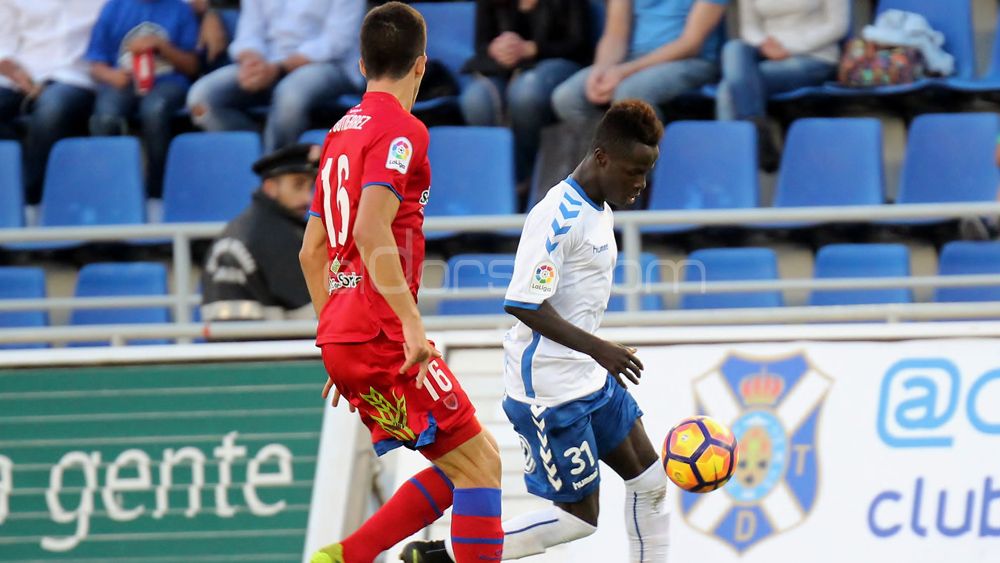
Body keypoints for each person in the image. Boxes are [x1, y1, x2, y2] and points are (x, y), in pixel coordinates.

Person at [400, 101, 669, 562]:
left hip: (589, 378)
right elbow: (523, 302)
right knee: (578, 520)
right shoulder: (558, 215)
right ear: (602, 157)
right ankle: (444, 556)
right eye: (634, 172)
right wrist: (600, 349)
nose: (641, 185)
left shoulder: (601, 206)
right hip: (549, 391)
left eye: (646, 173)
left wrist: (594, 357)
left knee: (651, 484)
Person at [300, 4, 503, 563]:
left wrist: (336, 339)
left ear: (362, 64)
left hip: (346, 332)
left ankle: (345, 556)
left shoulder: (339, 133)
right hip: (382, 330)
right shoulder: (403, 131)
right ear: (422, 65)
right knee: (481, 468)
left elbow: (311, 251)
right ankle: (347, 557)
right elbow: (369, 230)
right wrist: (410, 324)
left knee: (470, 459)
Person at [187, 0, 365, 152]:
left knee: (290, 97)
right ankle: (254, 158)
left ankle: (276, 166)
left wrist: (278, 68)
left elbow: (337, 41)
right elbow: (249, 34)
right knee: (202, 97)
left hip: (329, 66)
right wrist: (252, 62)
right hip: (267, 63)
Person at [460, 0, 591, 187]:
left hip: (556, 61)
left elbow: (580, 44)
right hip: (502, 68)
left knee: (525, 94)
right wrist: (496, 49)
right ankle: (497, 180)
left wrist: (531, 48)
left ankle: (527, 175)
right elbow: (481, 44)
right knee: (476, 99)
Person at [0, 0, 106, 219]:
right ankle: (14, 187)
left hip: (77, 76)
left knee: (51, 110)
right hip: (24, 74)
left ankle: (32, 202)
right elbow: (4, 45)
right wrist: (19, 75)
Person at [86, 0, 200, 200]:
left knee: (154, 111)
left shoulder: (180, 9)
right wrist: (111, 76)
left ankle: (158, 194)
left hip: (168, 81)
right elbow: (95, 64)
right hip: (123, 80)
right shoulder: (114, 7)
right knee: (106, 117)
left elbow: (192, 67)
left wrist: (162, 46)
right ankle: (110, 194)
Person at [716, 0, 848, 168]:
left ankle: (732, 168)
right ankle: (756, 132)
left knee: (728, 90)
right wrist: (763, 45)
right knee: (734, 47)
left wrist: (788, 47)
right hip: (768, 53)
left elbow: (838, 26)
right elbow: (749, 27)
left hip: (814, 56)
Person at [551, 0, 728, 123]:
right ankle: (605, 159)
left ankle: (648, 165)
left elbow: (690, 44)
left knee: (630, 95)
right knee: (567, 97)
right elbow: (615, 35)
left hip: (691, 61)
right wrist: (601, 69)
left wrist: (625, 71)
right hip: (632, 59)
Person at [201, 143, 317, 324]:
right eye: (298, 185)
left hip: (234, 340)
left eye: (310, 187)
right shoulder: (276, 236)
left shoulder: (245, 227)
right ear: (270, 187)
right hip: (266, 341)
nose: (307, 198)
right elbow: (313, 315)